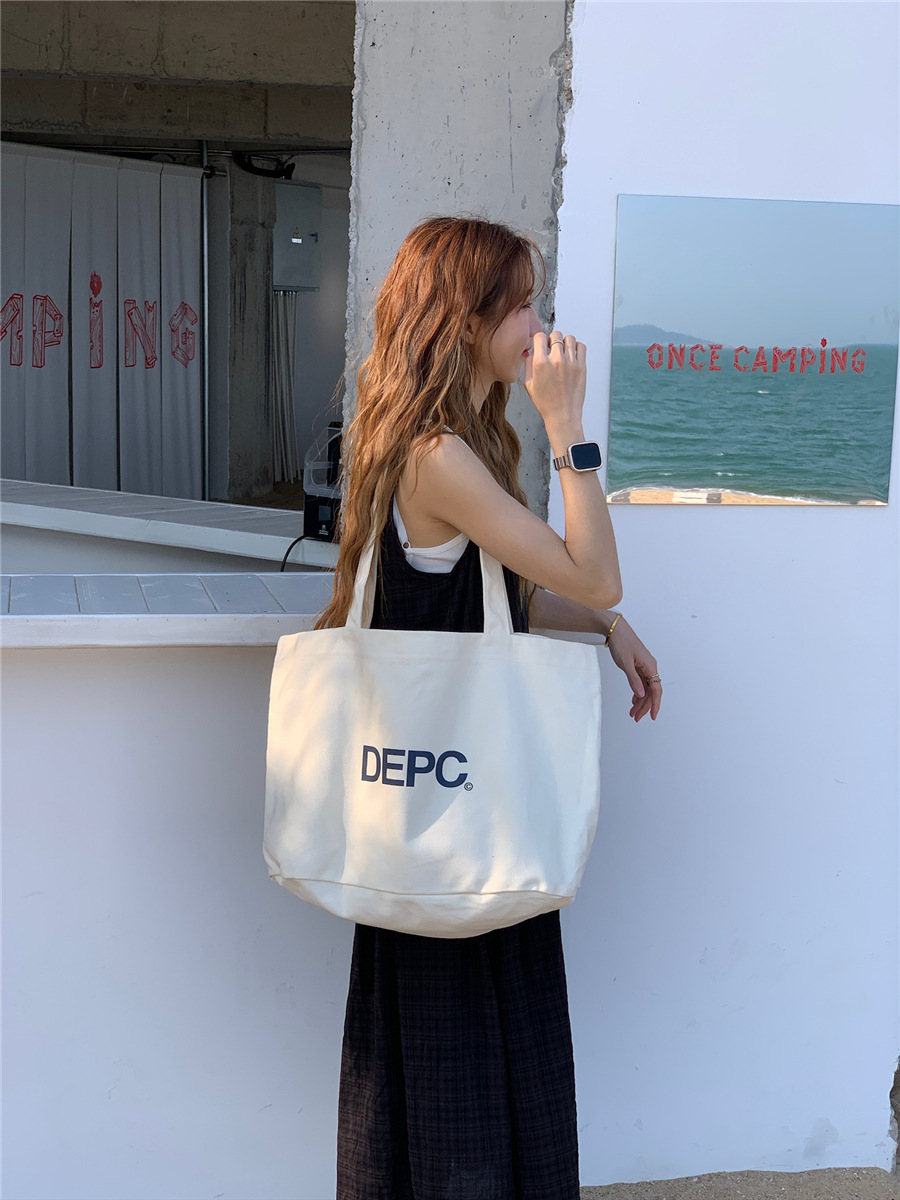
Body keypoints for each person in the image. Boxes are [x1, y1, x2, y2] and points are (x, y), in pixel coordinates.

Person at [318, 216, 662, 1200]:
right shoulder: (437, 456)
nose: (539, 327)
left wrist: (607, 628)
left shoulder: (450, 444)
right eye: (520, 306)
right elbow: (594, 571)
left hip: (447, 811)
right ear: (464, 320)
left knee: (455, 1066)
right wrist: (569, 428)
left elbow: (504, 592)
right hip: (458, 824)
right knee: (461, 1077)